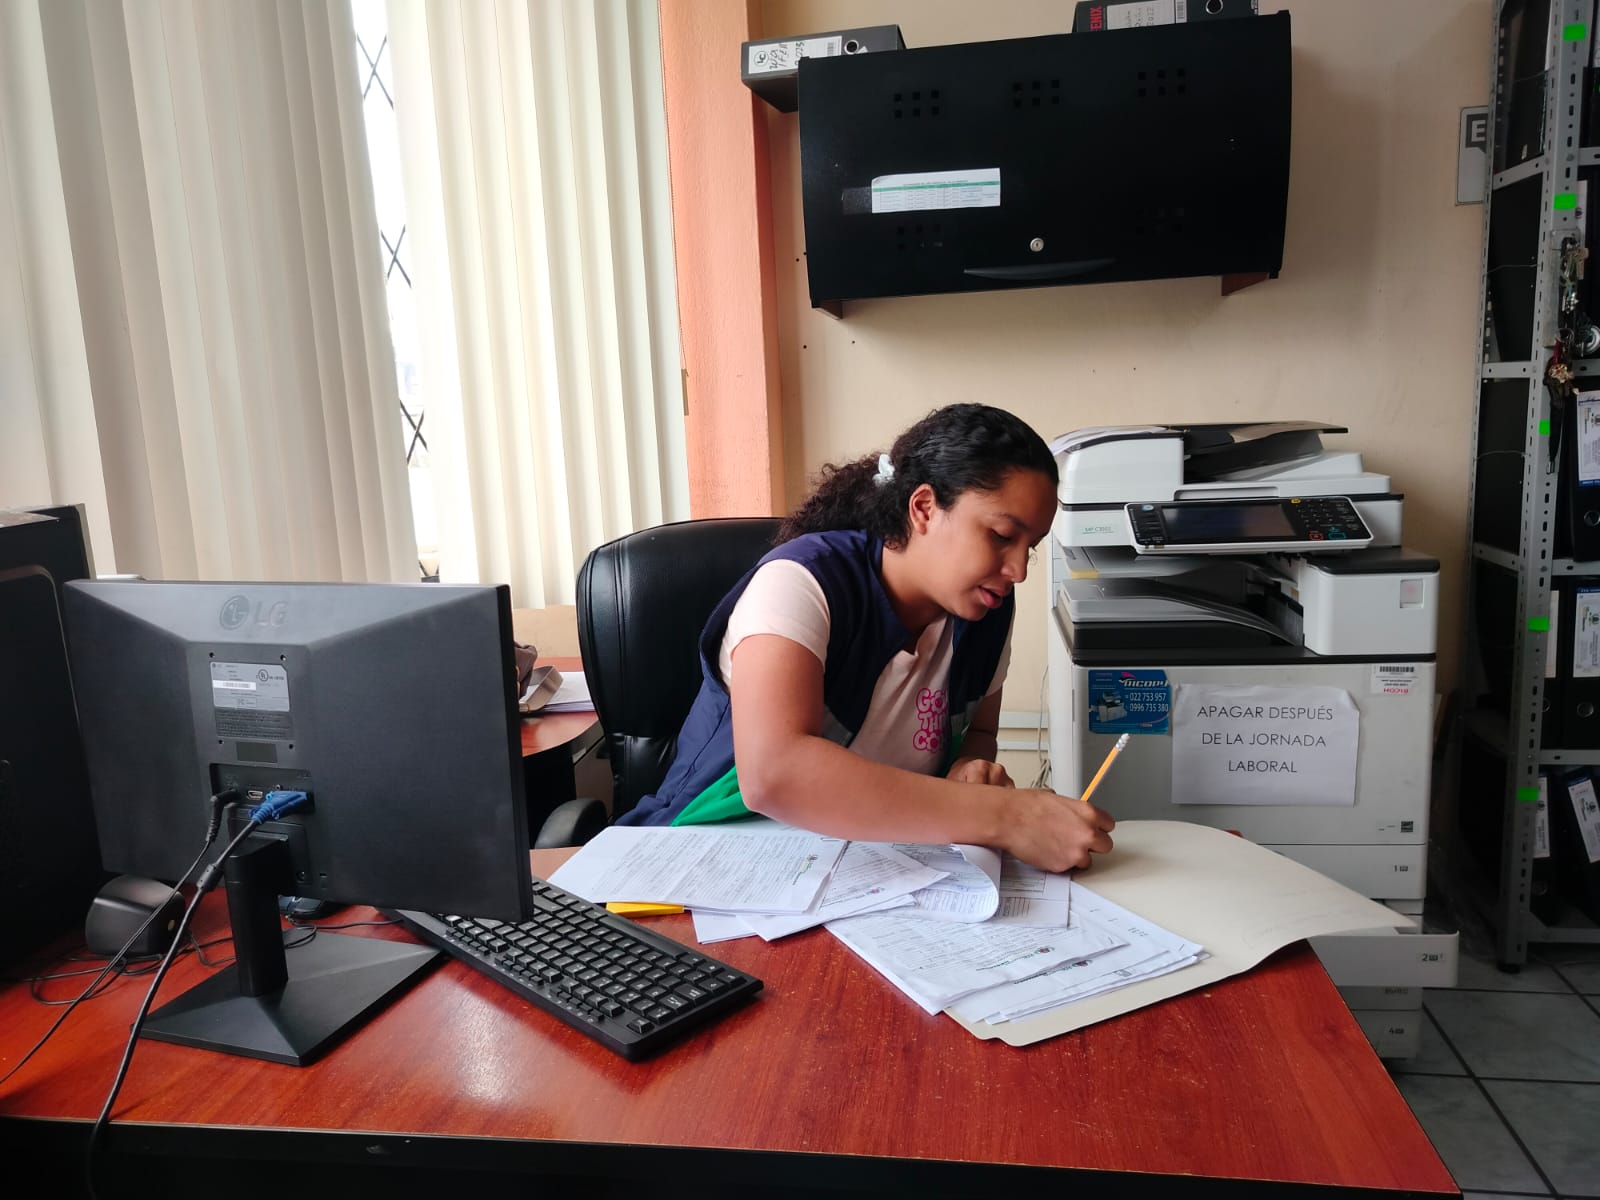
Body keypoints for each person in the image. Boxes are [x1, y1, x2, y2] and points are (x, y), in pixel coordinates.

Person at [619, 403, 1115, 874]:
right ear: (924, 508)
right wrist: (1005, 816)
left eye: (1031, 547)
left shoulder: (987, 608)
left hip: (871, 870)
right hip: (705, 858)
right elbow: (774, 774)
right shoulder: (801, 581)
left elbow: (980, 733)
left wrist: (972, 768)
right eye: (1002, 535)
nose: (1018, 570)